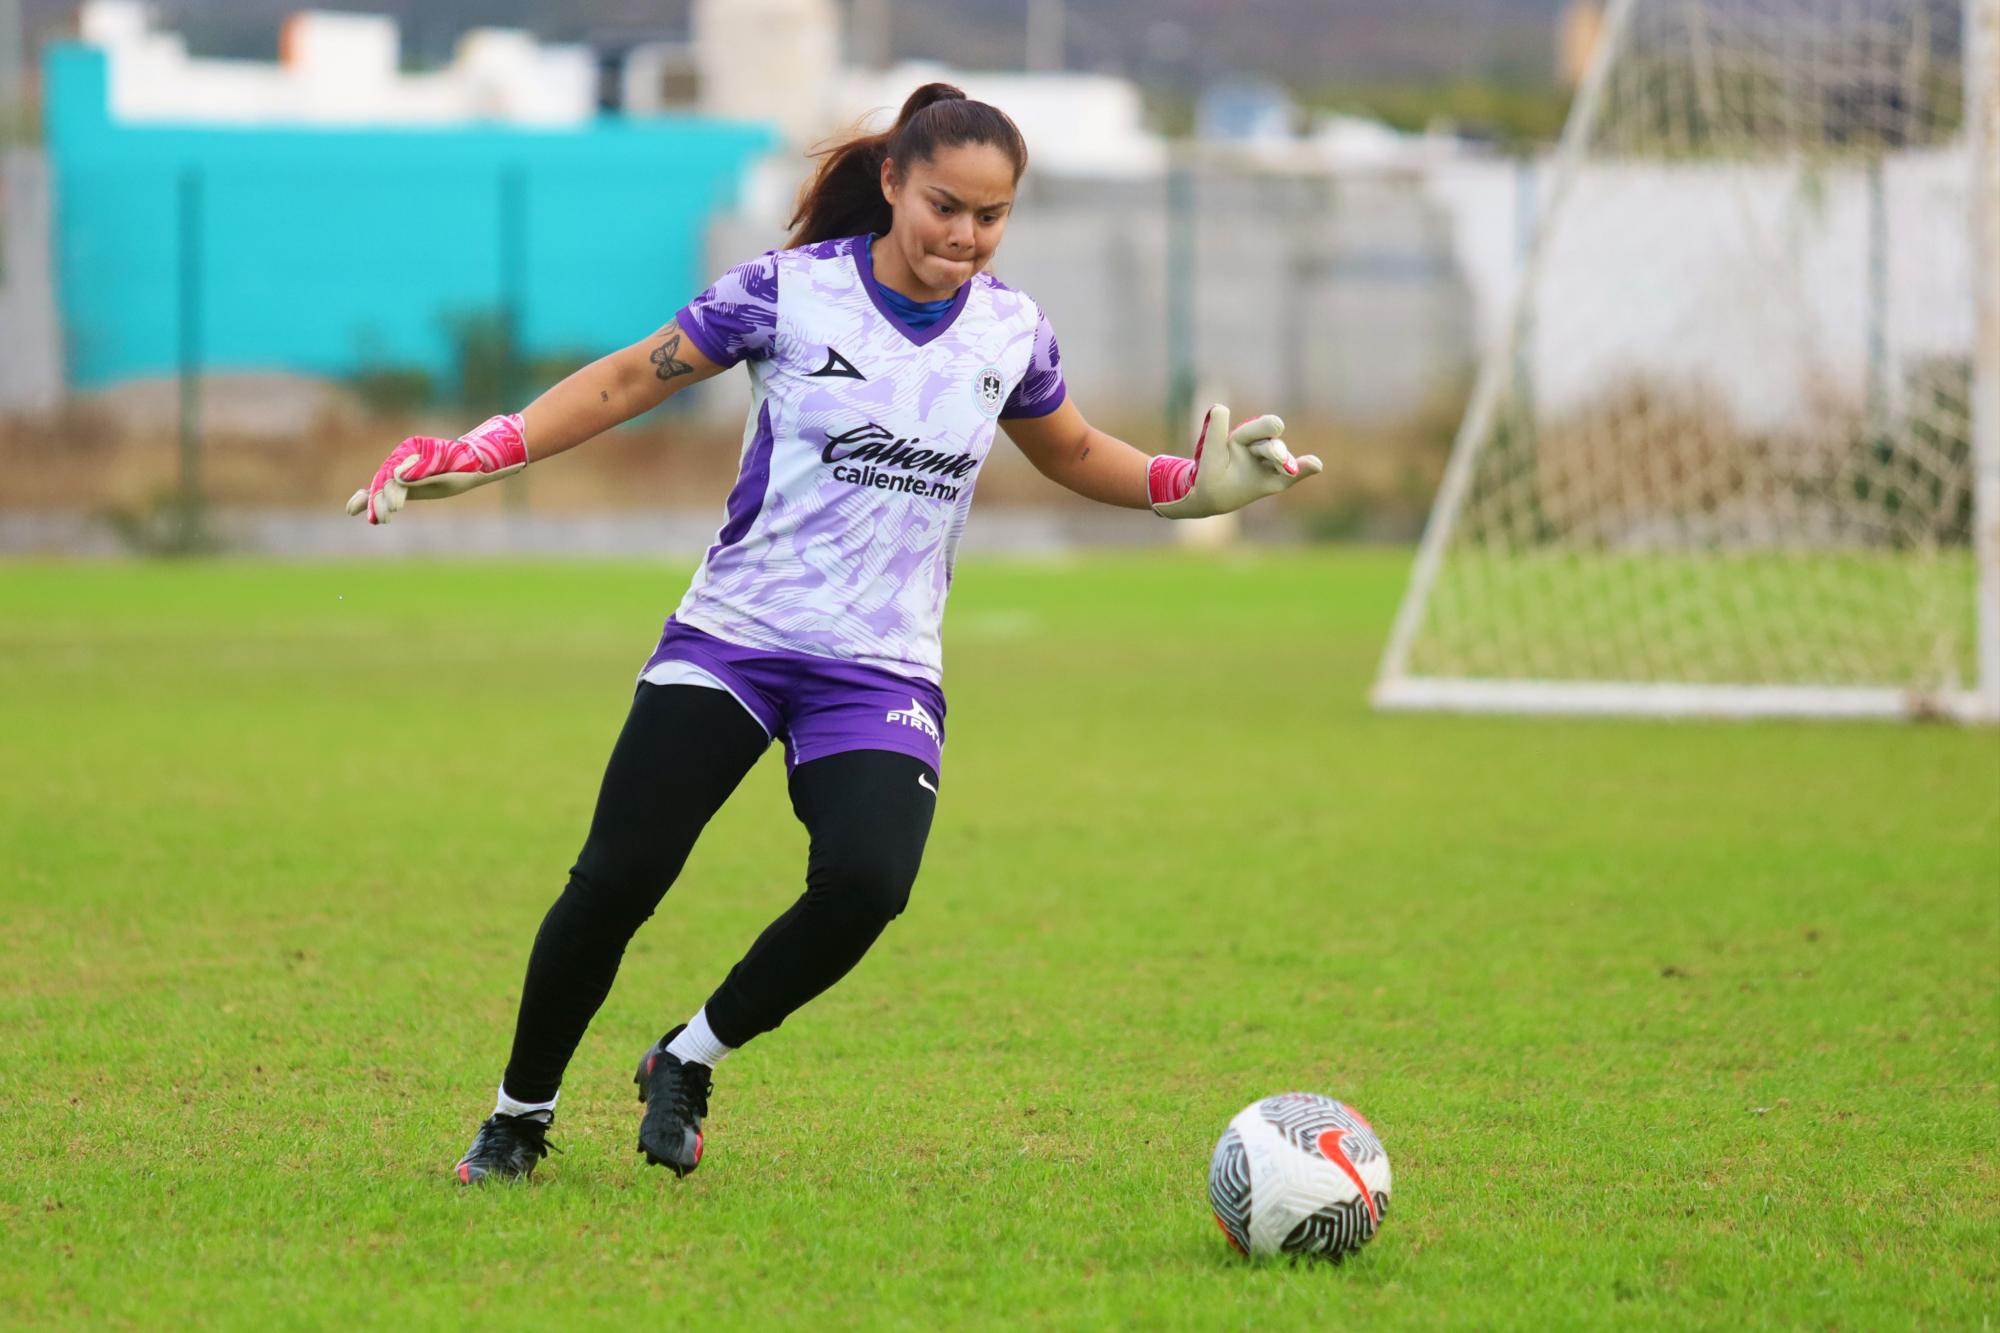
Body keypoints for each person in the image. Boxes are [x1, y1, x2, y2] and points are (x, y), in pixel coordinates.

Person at [346, 83, 1323, 1185]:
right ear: (894, 184)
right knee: (617, 880)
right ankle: (518, 1118)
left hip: (880, 664)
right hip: (734, 638)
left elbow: (1069, 451)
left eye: (990, 216)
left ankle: (688, 1052)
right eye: (944, 205)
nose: (963, 235)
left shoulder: (1010, 331)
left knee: (867, 881)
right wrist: (485, 449)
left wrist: (1187, 487)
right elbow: (628, 378)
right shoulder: (786, 294)